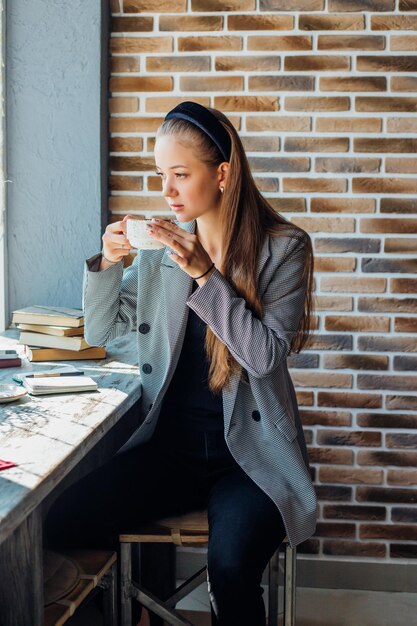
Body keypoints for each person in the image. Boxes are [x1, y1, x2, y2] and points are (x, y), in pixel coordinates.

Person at [45, 101, 318, 626]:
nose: (166, 192)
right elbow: (101, 330)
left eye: (179, 175)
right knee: (64, 521)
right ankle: (141, 616)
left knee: (231, 567)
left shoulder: (284, 250)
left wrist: (204, 278)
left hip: (250, 460)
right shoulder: (157, 250)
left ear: (222, 175)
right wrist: (106, 263)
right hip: (171, 451)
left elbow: (262, 356)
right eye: (159, 175)